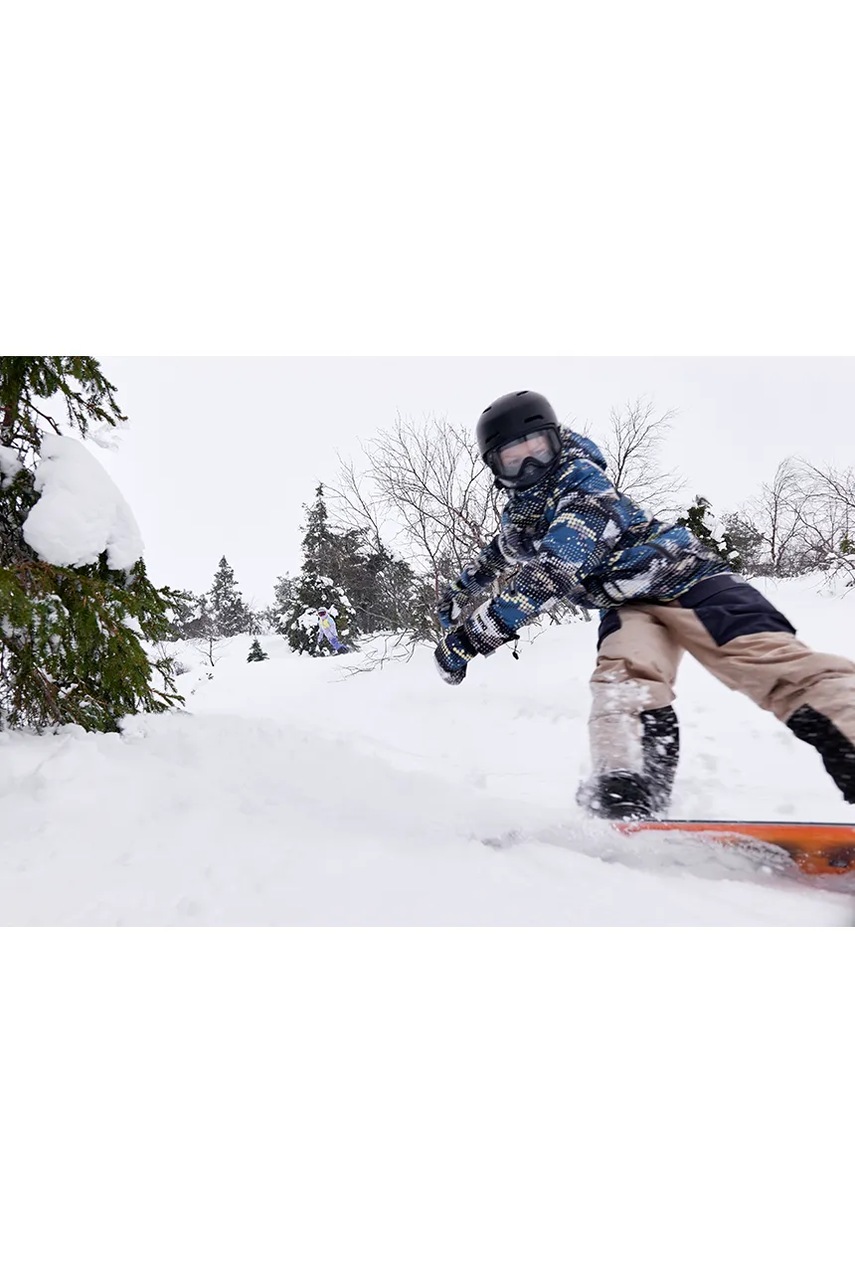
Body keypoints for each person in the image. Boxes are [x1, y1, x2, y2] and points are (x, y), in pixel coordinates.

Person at [434, 390, 855, 820]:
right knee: (622, 683)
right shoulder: (524, 517)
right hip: (627, 604)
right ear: (497, 469)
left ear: (556, 442)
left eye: (538, 449)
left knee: (771, 664)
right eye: (514, 458)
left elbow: (552, 572)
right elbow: (497, 555)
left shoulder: (584, 484)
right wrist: (460, 591)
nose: (530, 465)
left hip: (690, 579)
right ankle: (628, 792)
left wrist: (468, 639)